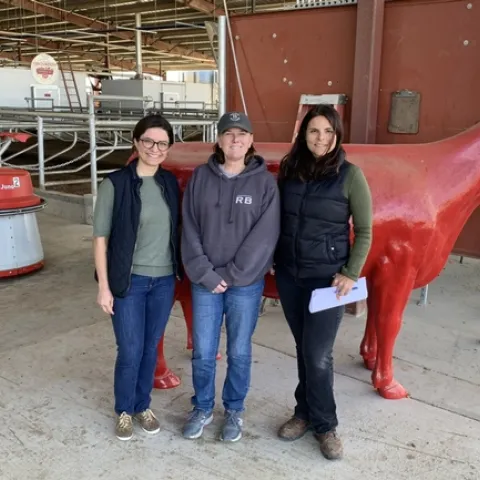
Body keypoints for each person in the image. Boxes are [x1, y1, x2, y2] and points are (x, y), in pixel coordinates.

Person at [274, 104, 373, 460]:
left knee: (318, 355)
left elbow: (364, 231)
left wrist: (350, 272)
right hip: (290, 275)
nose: (321, 138)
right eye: (314, 131)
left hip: (328, 280)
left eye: (328, 132)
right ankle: (303, 413)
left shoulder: (350, 176)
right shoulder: (290, 170)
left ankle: (325, 425)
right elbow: (278, 218)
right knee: (303, 349)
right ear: (304, 134)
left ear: (337, 135)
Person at [181, 111, 280, 442]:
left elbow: (265, 236)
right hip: (205, 282)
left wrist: (234, 274)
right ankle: (203, 407)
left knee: (239, 350)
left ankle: (234, 410)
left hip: (245, 285)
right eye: (228, 133)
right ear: (219, 141)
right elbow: (189, 228)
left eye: (242, 134)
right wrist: (205, 273)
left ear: (251, 141)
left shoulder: (265, 183)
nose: (235, 139)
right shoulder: (200, 178)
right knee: (204, 351)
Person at [93, 114, 181, 441]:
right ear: (136, 142)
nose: (154, 148)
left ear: (168, 148)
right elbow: (101, 238)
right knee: (129, 349)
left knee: (149, 348)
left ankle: (143, 404)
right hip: (129, 282)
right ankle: (124, 411)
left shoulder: (169, 183)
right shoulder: (114, 183)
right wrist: (104, 287)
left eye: (162, 143)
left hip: (164, 281)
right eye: (148, 141)